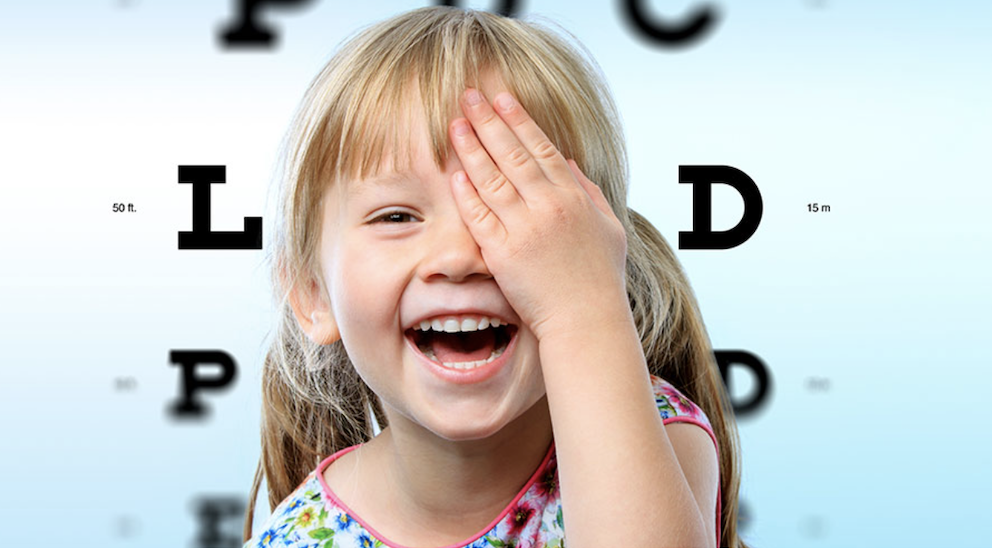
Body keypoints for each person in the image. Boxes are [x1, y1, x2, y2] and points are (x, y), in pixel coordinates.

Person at [243, 6, 748, 548]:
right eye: (396, 217)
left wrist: (582, 310)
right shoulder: (297, 538)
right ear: (311, 293)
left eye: (509, 207)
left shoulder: (653, 435)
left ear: (595, 259)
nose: (460, 256)